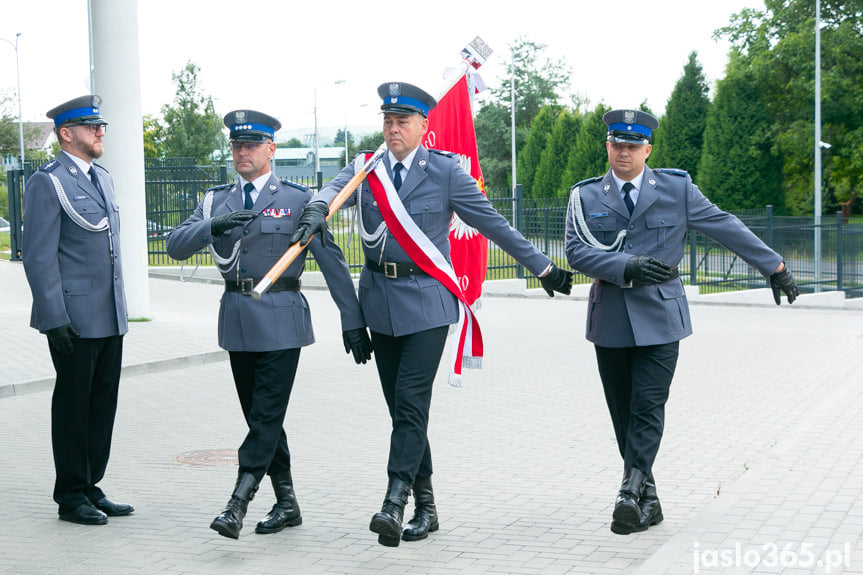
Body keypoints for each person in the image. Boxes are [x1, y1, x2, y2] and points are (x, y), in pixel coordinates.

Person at [290, 82, 573, 547]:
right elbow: (330, 191)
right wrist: (317, 209)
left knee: (410, 402)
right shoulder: (365, 167)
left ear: (424, 126)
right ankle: (428, 505)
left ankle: (394, 501)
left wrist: (540, 266)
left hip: (427, 305)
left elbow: (492, 222)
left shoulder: (445, 173)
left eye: (402, 121)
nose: (393, 129)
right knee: (402, 411)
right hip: (379, 303)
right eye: (387, 121)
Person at [564, 109, 799, 535]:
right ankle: (647, 500)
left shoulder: (676, 188)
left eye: (633, 146)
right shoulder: (585, 197)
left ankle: (629, 490)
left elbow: (724, 226)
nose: (624, 152)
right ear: (607, 147)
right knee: (623, 412)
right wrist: (625, 265)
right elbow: (576, 253)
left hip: (660, 315)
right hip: (612, 315)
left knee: (648, 405)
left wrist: (774, 265)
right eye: (617, 145)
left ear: (648, 150)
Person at [165, 110, 372, 539]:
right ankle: (288, 503)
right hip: (237, 319)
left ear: (271, 150)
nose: (242, 152)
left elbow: (331, 262)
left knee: (264, 416)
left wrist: (352, 321)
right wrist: (212, 225)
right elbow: (174, 246)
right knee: (262, 419)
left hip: (281, 319)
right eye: (237, 145)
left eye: (252, 145)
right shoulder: (214, 200)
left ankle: (238, 501)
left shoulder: (298, 199)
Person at [22, 95, 133, 525]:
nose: (100, 132)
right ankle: (70, 495)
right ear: (67, 134)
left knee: (103, 404)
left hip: (109, 315)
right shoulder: (47, 182)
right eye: (92, 127)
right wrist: (54, 319)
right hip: (73, 319)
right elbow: (38, 256)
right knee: (73, 406)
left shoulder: (102, 178)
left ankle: (90, 484)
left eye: (100, 126)